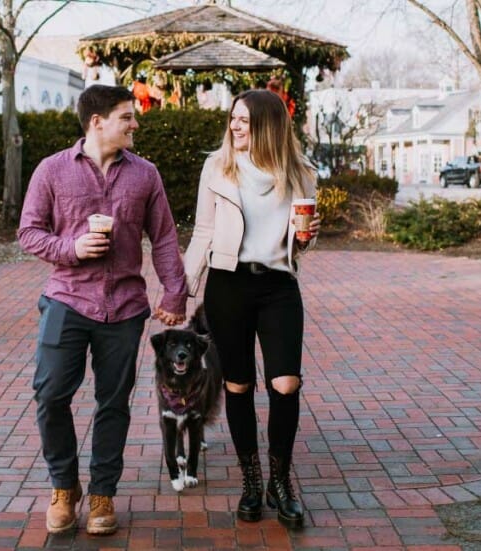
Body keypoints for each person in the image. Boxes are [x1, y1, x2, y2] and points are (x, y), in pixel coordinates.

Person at [17, 84, 187, 536]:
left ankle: (102, 495)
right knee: (51, 394)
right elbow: (29, 233)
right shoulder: (52, 170)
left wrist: (175, 294)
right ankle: (63, 487)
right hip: (66, 300)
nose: (135, 123)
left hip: (125, 307)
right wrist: (71, 248)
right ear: (98, 122)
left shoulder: (145, 175)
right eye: (127, 117)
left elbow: (165, 238)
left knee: (113, 404)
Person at [183, 89, 321, 529]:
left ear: (268, 125)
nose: (235, 126)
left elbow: (303, 238)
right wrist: (180, 290)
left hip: (278, 285)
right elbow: (203, 231)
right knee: (238, 386)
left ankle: (280, 483)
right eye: (233, 118)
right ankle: (251, 481)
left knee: (286, 383)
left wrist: (308, 236)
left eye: (244, 120)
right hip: (228, 284)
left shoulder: (300, 173)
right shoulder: (216, 167)